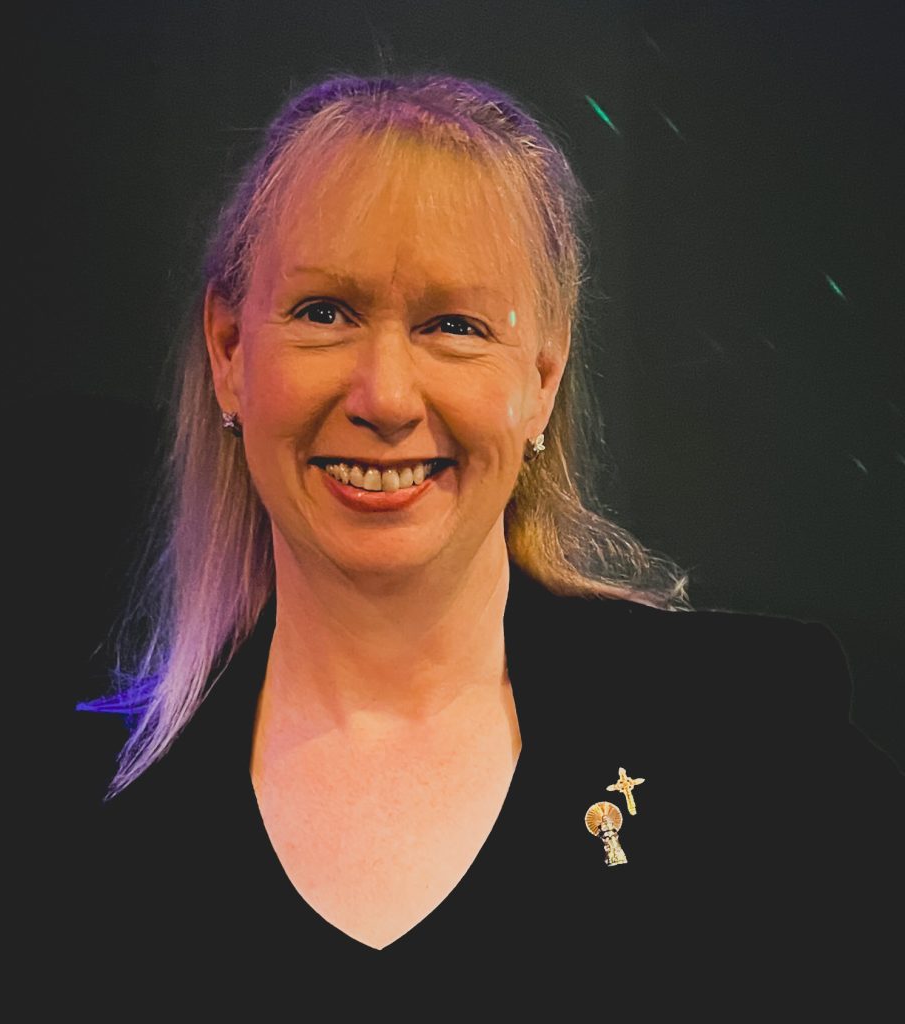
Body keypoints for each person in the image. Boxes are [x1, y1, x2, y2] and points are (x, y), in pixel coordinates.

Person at [53, 72, 899, 1004]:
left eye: (453, 325)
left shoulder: (755, 740)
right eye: (325, 312)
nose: (385, 397)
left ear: (542, 379)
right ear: (228, 352)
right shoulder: (63, 816)